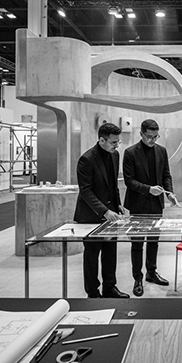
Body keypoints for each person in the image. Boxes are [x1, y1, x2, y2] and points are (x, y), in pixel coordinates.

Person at [73, 122, 129, 298]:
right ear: (101, 140)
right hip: (90, 215)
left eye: (118, 142)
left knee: (110, 253)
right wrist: (105, 211)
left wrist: (118, 204)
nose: (117, 145)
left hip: (111, 214)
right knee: (92, 256)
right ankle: (93, 292)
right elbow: (85, 191)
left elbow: (113, 184)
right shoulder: (86, 159)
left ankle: (110, 288)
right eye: (113, 142)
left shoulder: (115, 155)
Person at [123, 119, 178, 297]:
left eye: (156, 136)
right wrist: (149, 189)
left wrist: (170, 193)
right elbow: (129, 181)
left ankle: (151, 273)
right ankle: (137, 278)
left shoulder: (161, 151)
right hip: (137, 204)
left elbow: (166, 175)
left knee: (154, 241)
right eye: (149, 136)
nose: (152, 140)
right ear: (141, 134)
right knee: (137, 243)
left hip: (156, 205)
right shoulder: (130, 152)